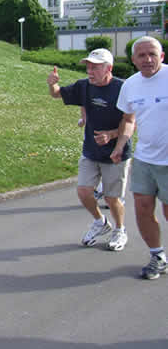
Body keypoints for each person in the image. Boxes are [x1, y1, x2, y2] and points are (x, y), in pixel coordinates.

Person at [46, 48, 131, 251]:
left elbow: (130, 121)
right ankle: (100, 223)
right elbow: (57, 94)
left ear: (108, 68)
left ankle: (120, 229)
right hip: (91, 150)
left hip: (116, 153)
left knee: (111, 198)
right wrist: (52, 84)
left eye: (95, 67)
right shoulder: (84, 86)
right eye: (88, 67)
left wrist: (111, 137)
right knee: (84, 192)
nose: (90, 71)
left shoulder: (123, 88)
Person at [112, 36, 168, 279]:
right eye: (142, 55)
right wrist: (120, 145)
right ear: (133, 60)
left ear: (162, 56)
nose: (148, 59)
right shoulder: (130, 86)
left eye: (152, 54)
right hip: (145, 158)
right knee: (143, 208)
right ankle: (157, 256)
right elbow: (129, 120)